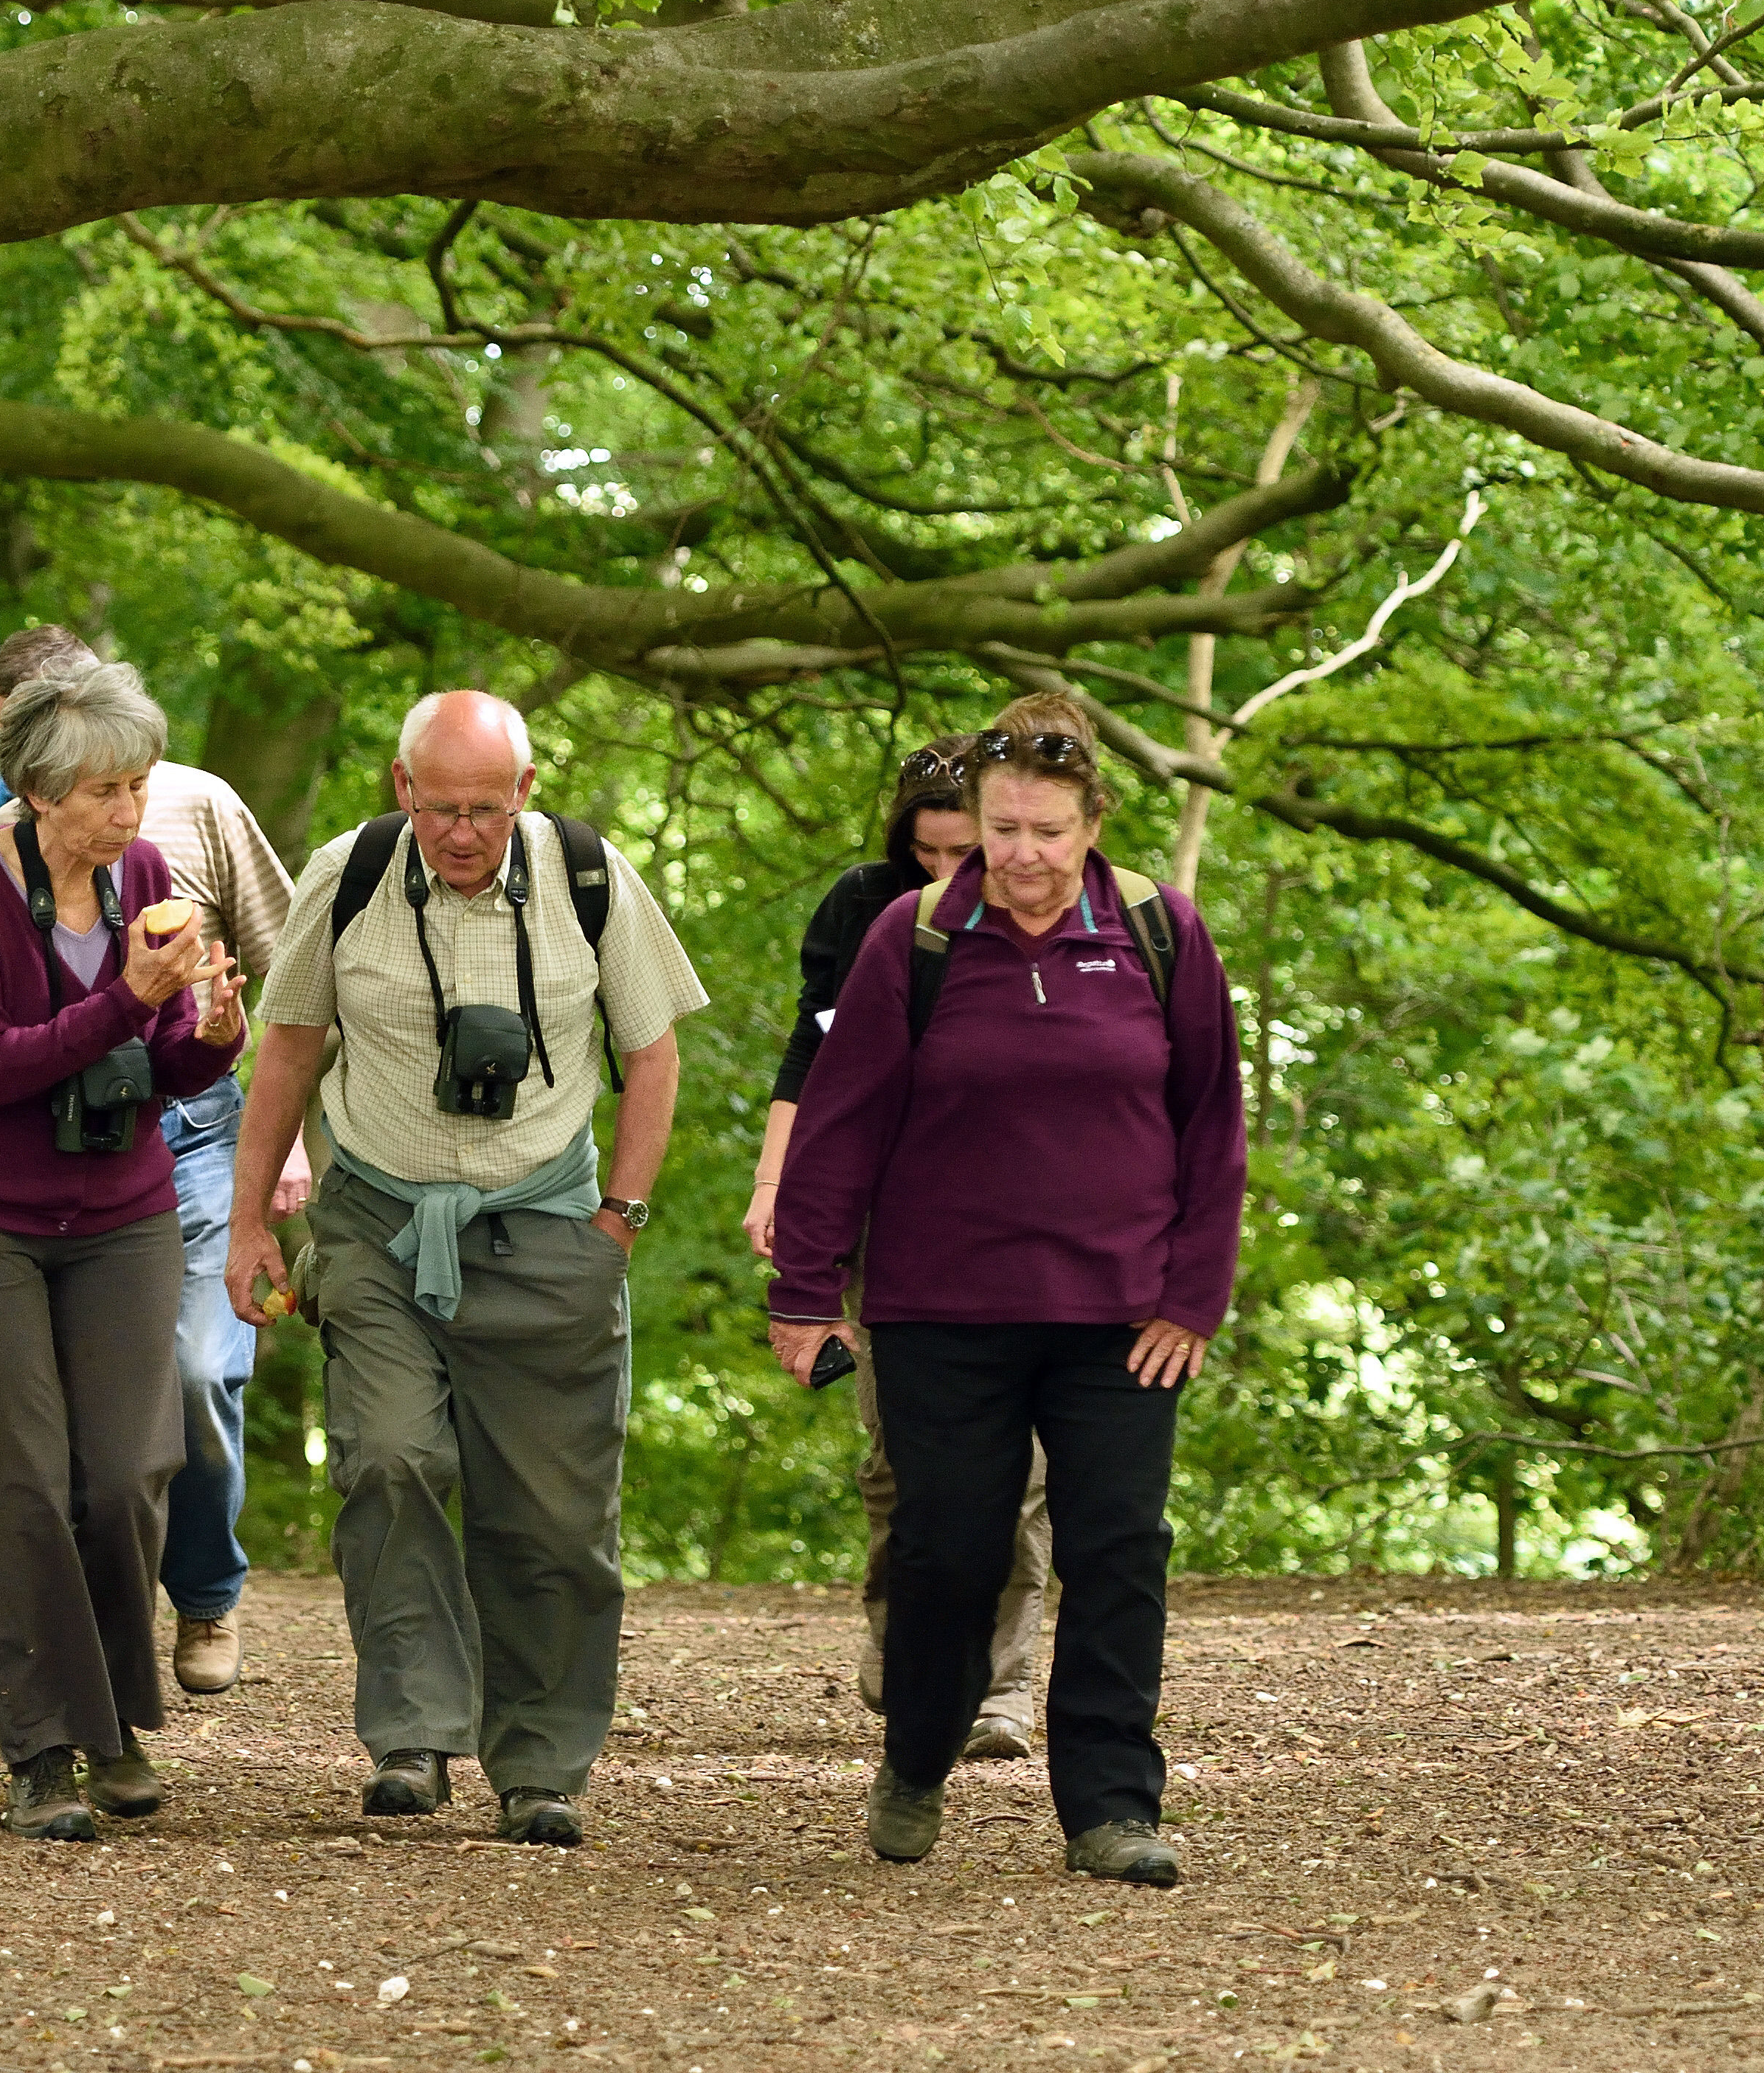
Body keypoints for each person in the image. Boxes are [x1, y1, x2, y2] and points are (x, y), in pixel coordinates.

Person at [764, 689, 1244, 1887]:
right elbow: (840, 1124)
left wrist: (1193, 1298)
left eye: (1047, 830)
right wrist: (807, 1292)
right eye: (1002, 829)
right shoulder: (916, 940)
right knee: (949, 1552)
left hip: (1120, 1320)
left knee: (1119, 1549)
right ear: (974, 822)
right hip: (941, 1314)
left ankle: (1110, 1804)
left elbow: (1212, 1127)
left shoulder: (1159, 932)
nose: (1023, 856)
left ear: (1092, 825)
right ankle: (918, 1757)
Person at [224, 691, 710, 1847]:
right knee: (389, 1458)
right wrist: (250, 1226)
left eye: (485, 810)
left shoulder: (592, 879)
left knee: (551, 1516)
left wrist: (619, 1224)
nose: (459, 833)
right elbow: (287, 1051)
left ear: (525, 796)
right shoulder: (346, 877)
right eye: (438, 807)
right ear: (402, 790)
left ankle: (541, 1764)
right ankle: (412, 1733)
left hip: (548, 1229)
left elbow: (653, 1054)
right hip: (379, 1222)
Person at [0, 659, 251, 1841]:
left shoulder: (144, 877)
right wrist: (123, 998)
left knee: (129, 1471)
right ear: (39, 792)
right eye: (103, 791)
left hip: (120, 1212)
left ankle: (118, 1720)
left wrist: (213, 1034)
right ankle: (47, 1749)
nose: (128, 814)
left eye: (139, 786)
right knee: (24, 1483)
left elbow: (160, 1071)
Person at [0, 623, 311, 1697]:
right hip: (72, 1150)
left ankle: (206, 1594)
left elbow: (292, 965)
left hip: (206, 1135)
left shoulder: (199, 807)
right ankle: (99, 1630)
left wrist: (288, 1133)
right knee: (85, 1419)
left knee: (206, 1372)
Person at [749, 739, 1056, 1759]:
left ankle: (1005, 1686)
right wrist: (775, 1186)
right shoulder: (865, 908)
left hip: (1029, 1216)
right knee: (900, 1460)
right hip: (892, 1216)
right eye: (926, 854)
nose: (944, 875)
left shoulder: (1060, 911)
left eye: (962, 851)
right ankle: (901, 1641)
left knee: (1022, 1467)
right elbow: (816, 1051)